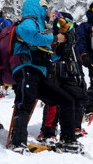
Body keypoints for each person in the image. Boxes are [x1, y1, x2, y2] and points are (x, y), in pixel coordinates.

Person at [4, 0, 82, 154]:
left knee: (66, 100)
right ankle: (17, 142)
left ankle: (68, 140)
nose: (46, 10)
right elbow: (29, 34)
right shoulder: (28, 22)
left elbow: (50, 54)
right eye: (44, 7)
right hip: (26, 68)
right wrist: (55, 38)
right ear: (36, 7)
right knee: (25, 103)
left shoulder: (41, 27)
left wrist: (64, 43)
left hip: (40, 72)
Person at [37, 11, 89, 143]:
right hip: (53, 71)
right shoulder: (52, 36)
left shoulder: (73, 40)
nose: (63, 26)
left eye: (67, 23)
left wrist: (81, 77)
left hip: (70, 72)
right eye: (60, 22)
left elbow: (77, 60)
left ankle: (75, 127)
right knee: (53, 100)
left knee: (78, 97)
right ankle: (48, 131)